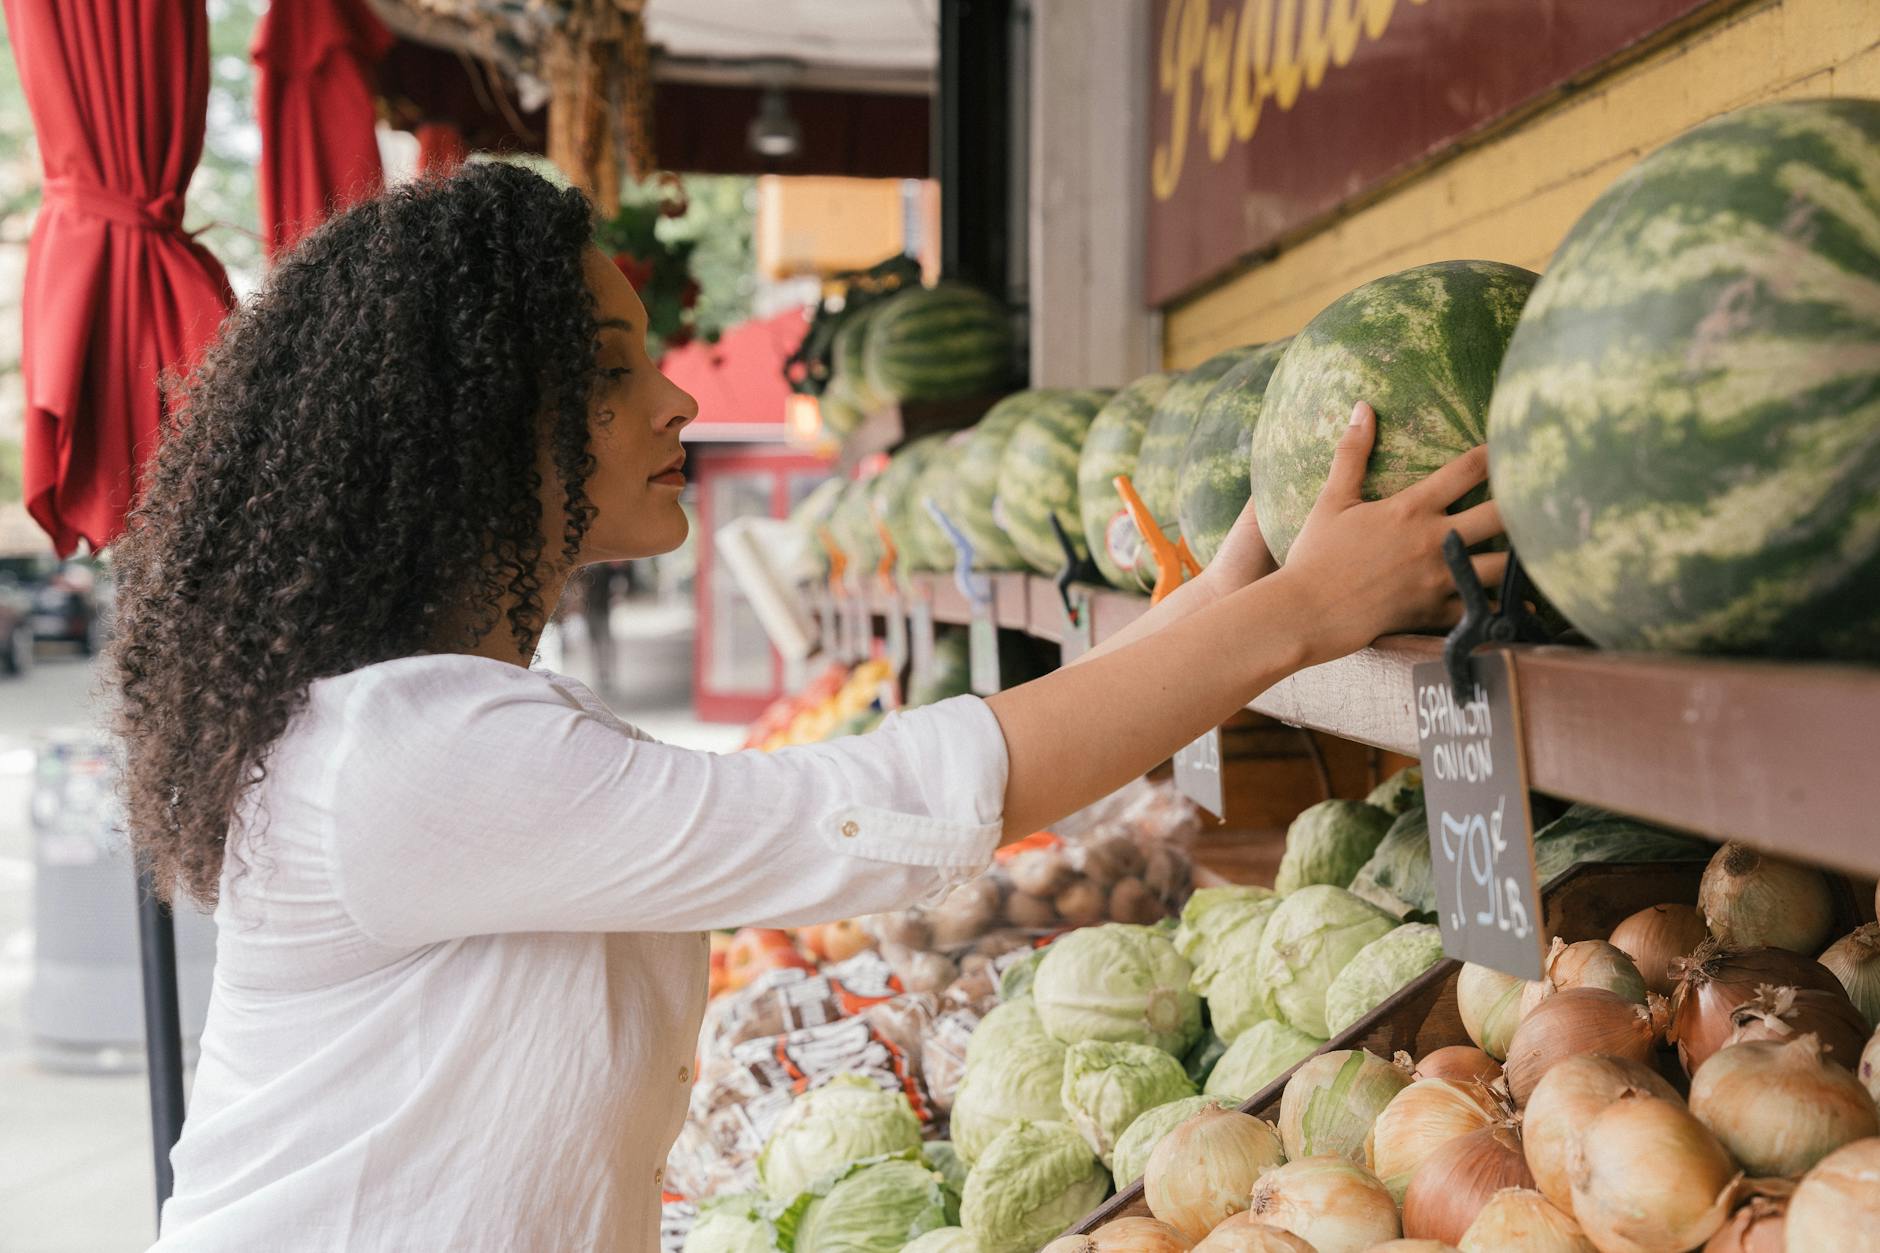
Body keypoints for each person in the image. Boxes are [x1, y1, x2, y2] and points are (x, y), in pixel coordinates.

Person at [109, 164, 1505, 1252]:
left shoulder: (425, 727)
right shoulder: (408, 757)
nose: (673, 402)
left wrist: (1240, 585)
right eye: (608, 369)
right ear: (463, 425)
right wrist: (1296, 618)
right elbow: (879, 808)